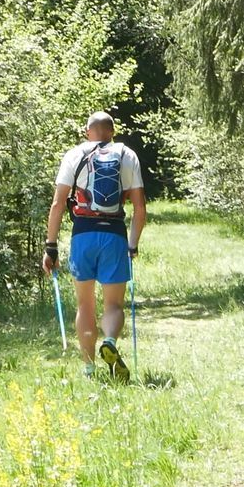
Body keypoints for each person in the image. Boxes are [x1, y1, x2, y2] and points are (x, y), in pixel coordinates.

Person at [42, 111, 146, 381]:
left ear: (88, 132)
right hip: (114, 235)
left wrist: (50, 246)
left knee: (84, 305)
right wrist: (132, 245)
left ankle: (89, 368)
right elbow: (139, 207)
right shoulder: (127, 156)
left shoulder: (74, 155)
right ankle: (109, 341)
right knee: (113, 305)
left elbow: (57, 204)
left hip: (83, 236)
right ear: (112, 132)